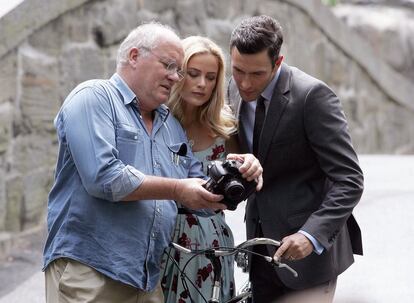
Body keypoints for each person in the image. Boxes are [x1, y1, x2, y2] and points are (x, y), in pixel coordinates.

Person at [43, 22, 262, 303]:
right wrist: (177, 190)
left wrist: (242, 171)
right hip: (91, 271)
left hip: (148, 278)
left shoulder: (169, 124)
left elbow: (200, 186)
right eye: (168, 65)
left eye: (178, 70)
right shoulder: (94, 97)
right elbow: (104, 178)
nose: (175, 77)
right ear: (134, 56)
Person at [227, 15, 364, 303]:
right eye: (238, 70)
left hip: (310, 258)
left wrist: (310, 236)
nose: (245, 83)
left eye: (257, 74)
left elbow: (349, 179)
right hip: (259, 248)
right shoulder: (231, 88)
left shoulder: (312, 96)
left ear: (278, 62)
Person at [161, 36, 240, 302]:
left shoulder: (225, 128)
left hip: (212, 240)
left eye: (211, 77)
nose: (202, 84)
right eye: (193, 74)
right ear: (177, 73)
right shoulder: (154, 121)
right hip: (164, 238)